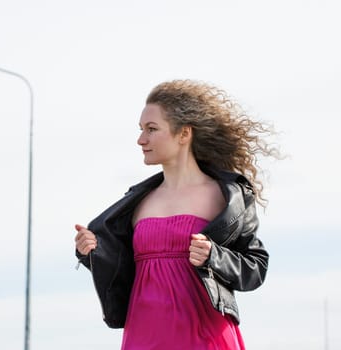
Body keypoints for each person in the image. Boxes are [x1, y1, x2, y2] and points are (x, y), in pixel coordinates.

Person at [74, 79, 279, 349]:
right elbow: (123, 274)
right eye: (141, 130)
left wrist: (214, 256)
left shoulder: (226, 197)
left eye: (152, 129)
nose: (141, 139)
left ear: (184, 134)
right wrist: (94, 253)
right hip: (144, 335)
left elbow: (256, 266)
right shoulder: (137, 203)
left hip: (206, 336)